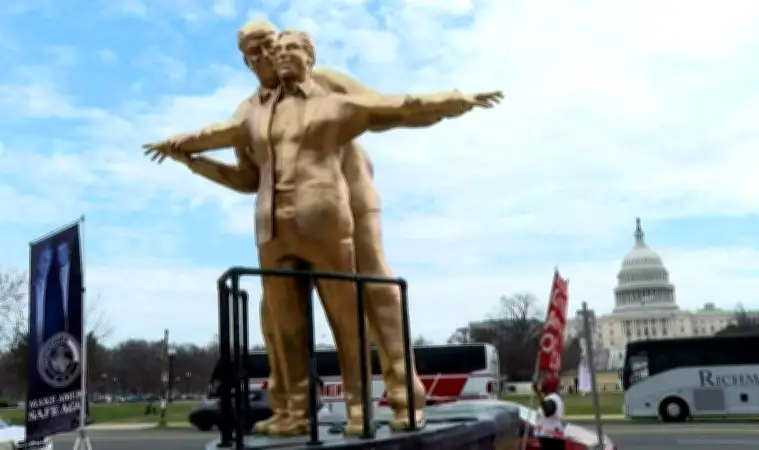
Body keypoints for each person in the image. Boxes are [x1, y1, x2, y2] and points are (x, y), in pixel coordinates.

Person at [143, 28, 501, 437]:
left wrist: (453, 100)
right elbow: (247, 174)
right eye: (254, 55)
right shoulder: (250, 111)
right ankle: (294, 409)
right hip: (279, 218)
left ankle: (400, 395)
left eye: (271, 47)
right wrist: (191, 158)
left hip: (346, 195)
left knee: (374, 288)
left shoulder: (327, 87)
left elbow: (390, 107)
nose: (266, 58)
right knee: (275, 313)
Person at [534, 384, 566, 450]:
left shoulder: (553, 398)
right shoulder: (550, 398)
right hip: (548, 435)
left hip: (551, 436)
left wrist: (539, 396)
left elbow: (548, 411)